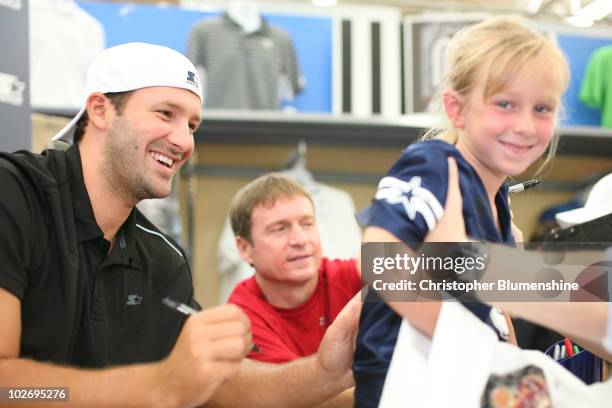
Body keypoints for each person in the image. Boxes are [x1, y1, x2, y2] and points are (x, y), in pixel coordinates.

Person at [0, 42, 359, 407]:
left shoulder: (161, 259)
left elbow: (223, 387)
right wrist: (161, 385)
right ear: (100, 110)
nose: (183, 141)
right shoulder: (13, 196)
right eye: (165, 113)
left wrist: (324, 373)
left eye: (192, 125)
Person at [353, 16, 570, 407]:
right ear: (457, 109)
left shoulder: (500, 205)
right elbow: (381, 259)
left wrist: (514, 363)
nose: (524, 125)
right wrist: (473, 350)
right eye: (505, 104)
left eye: (542, 108)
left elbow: (498, 317)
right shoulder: (436, 164)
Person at [227, 173, 362, 363]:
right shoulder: (242, 317)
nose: (300, 240)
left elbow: (416, 270)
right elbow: (299, 391)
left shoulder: (345, 275)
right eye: (280, 229)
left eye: (307, 224)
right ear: (245, 248)